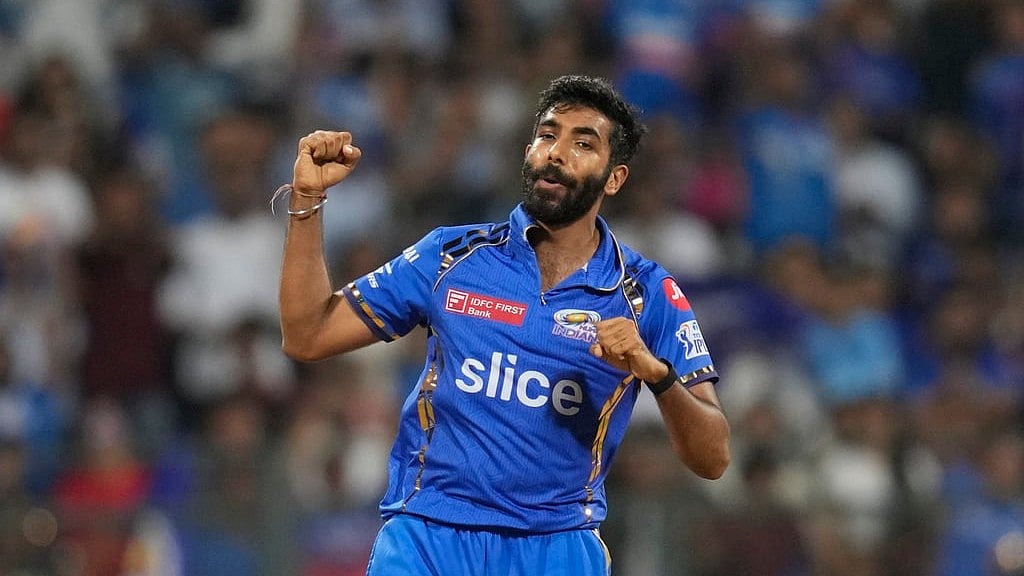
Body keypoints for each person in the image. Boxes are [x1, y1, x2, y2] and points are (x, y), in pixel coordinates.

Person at [277, 74, 731, 575]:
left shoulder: (646, 294)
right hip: (428, 536)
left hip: (555, 548)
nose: (556, 152)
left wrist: (656, 373)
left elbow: (712, 458)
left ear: (615, 178)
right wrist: (305, 202)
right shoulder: (450, 255)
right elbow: (307, 335)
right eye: (547, 134)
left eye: (583, 143)